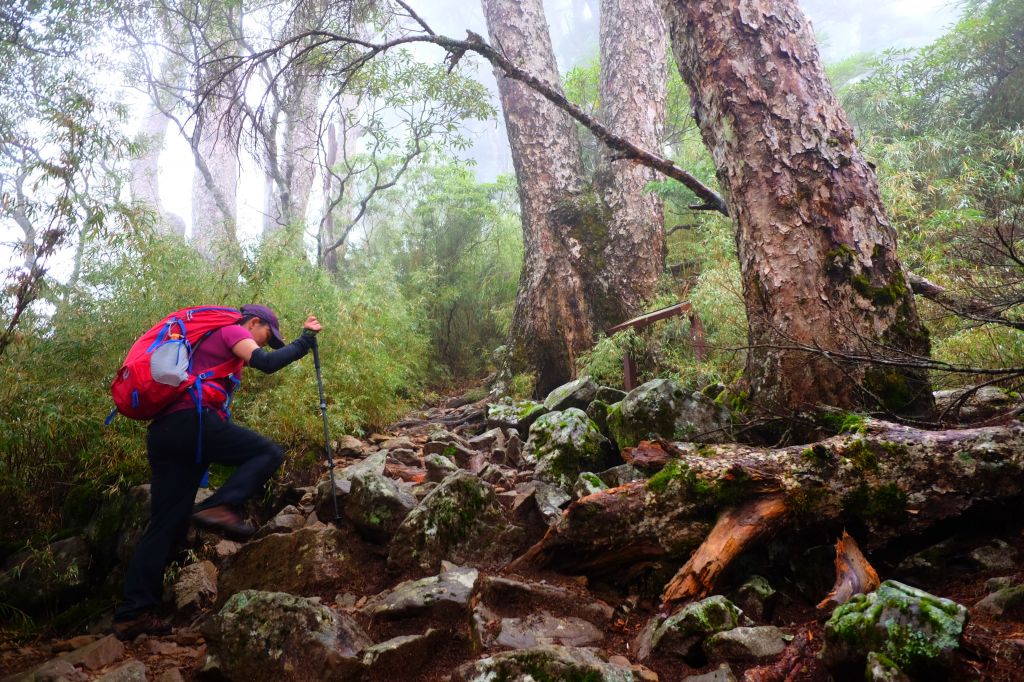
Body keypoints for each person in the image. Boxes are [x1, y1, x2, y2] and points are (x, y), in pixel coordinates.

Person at [112, 304, 321, 640]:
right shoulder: (232, 329)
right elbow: (266, 364)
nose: (265, 344)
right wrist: (303, 341)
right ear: (254, 322)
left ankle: (132, 614)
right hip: (191, 424)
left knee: (166, 525)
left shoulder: (205, 341)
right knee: (268, 452)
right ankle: (221, 506)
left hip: (165, 433)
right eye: (267, 336)